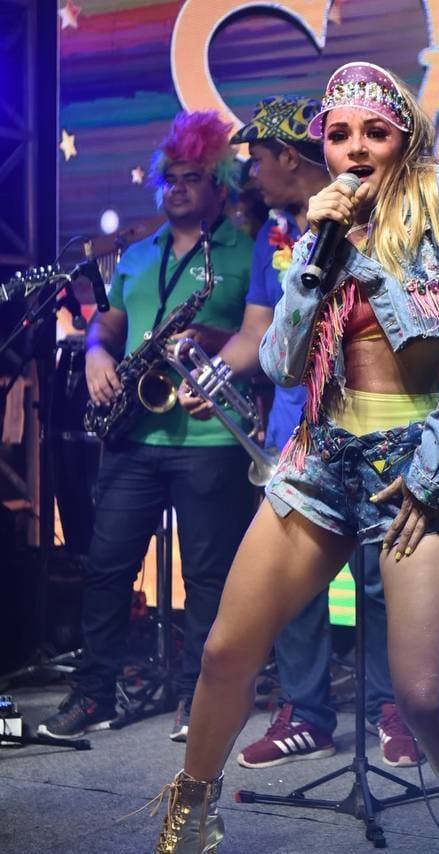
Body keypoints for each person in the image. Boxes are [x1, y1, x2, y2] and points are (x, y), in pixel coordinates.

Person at [153, 61, 439, 854]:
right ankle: (189, 816)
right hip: (322, 457)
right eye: (340, 134)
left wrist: (432, 477)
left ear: (405, 139)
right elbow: (282, 362)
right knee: (225, 651)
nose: (354, 148)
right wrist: (313, 257)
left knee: (424, 698)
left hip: (413, 462)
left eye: (374, 133)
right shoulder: (315, 230)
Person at [178, 95, 422, 769]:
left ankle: (395, 708)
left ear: (289, 156)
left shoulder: (391, 221)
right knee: (295, 589)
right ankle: (307, 714)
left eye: (258, 158)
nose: (252, 174)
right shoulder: (276, 236)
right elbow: (258, 334)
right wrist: (209, 377)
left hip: (381, 434)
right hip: (298, 437)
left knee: (380, 581)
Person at [38, 111, 256, 742]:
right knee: (107, 567)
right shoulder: (136, 255)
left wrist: (214, 340)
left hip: (210, 437)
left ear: (218, 185)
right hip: (133, 436)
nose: (178, 188)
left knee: (208, 577)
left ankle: (197, 698)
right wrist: (98, 356)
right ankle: (94, 693)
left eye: (193, 177)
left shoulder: (247, 253)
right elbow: (106, 325)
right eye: (171, 178)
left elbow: (262, 336)